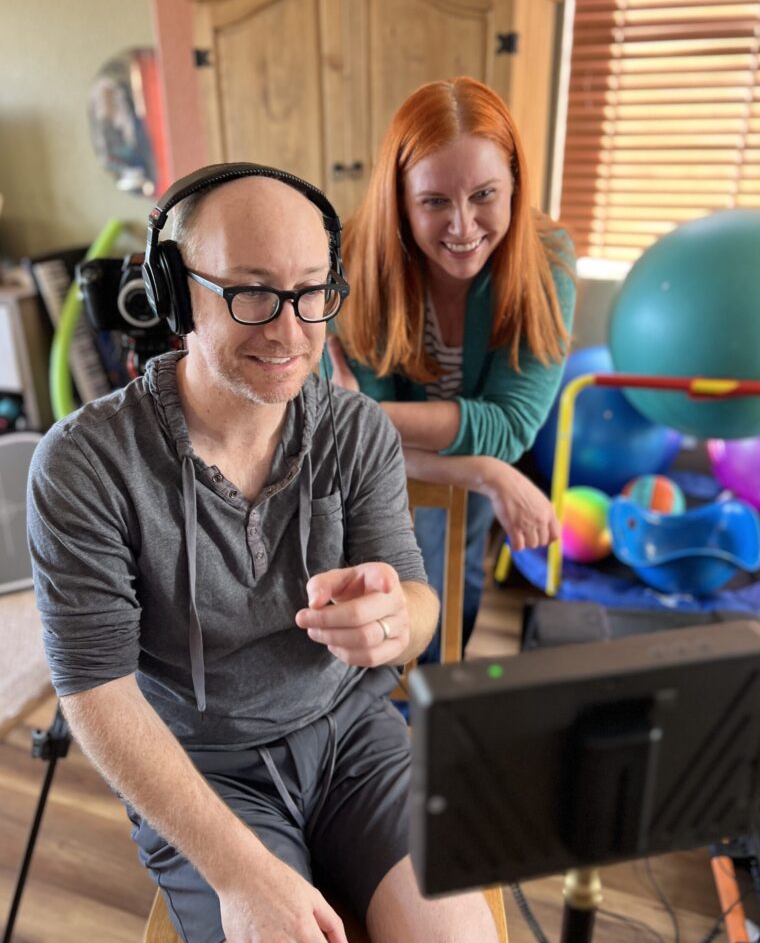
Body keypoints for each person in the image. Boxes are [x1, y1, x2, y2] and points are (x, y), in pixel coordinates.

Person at [27, 164, 499, 943]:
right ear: (175, 295)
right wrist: (241, 873)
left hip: (355, 736)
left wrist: (394, 621)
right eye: (252, 292)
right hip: (198, 768)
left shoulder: (357, 431)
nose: (290, 331)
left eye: (313, 291)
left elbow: (418, 604)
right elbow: (97, 696)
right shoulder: (85, 466)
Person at [329, 77, 577, 661]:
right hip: (361, 480)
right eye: (435, 201)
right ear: (401, 199)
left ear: (515, 184)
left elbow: (512, 427)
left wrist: (370, 415)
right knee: (370, 598)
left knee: (450, 585)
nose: (463, 227)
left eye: (484, 195)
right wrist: (488, 472)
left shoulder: (548, 263)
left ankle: (430, 712)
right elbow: (351, 444)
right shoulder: (355, 259)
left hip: (452, 467)